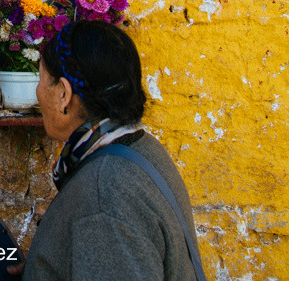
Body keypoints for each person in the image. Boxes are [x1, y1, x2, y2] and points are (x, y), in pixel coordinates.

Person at [12, 20, 205, 281]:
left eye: (42, 80)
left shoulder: (104, 193)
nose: (38, 92)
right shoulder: (139, 148)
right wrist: (49, 263)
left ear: (63, 95)